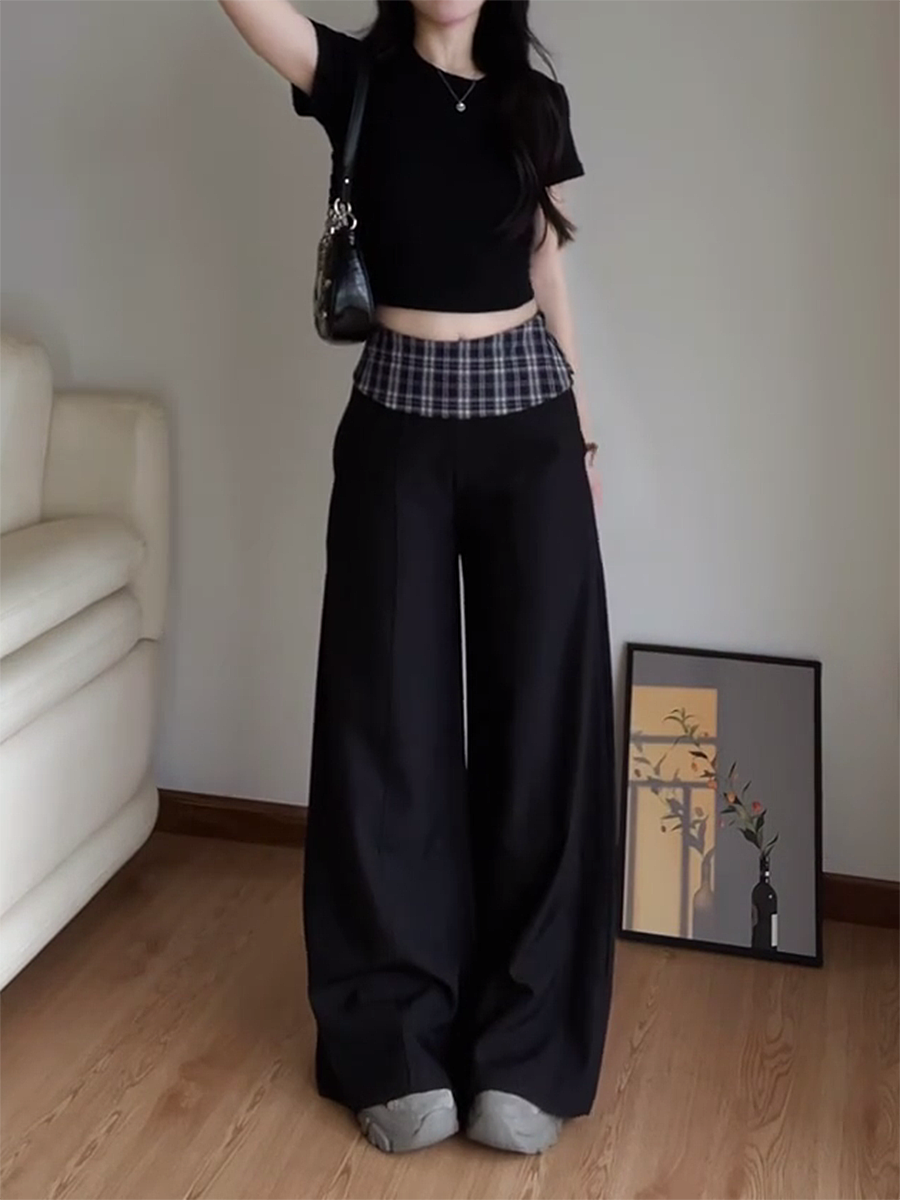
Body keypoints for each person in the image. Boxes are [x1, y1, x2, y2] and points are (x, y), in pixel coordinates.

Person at [216, 0, 617, 1158]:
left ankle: (527, 1050)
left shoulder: (535, 103)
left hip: (530, 428)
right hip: (397, 426)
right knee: (385, 726)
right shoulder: (355, 79)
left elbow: (548, 265)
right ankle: (394, 1040)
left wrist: (584, 435)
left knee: (540, 728)